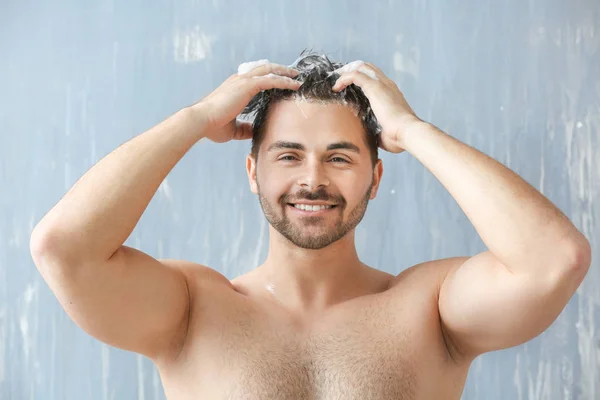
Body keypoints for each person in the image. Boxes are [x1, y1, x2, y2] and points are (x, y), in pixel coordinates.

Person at [30, 51, 591, 399]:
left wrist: (413, 130)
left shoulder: (430, 308)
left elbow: (553, 260)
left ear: (375, 176)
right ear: (253, 170)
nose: (313, 179)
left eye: (340, 157)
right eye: (289, 155)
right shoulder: (192, 309)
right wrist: (197, 119)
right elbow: (63, 249)